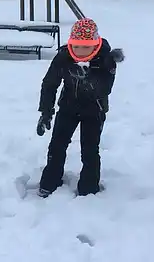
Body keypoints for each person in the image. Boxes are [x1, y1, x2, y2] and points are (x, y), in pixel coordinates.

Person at [36, 17, 124, 197]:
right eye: (76, 46)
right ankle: (49, 182)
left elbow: (105, 89)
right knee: (57, 145)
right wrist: (46, 112)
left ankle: (89, 187)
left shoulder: (106, 60)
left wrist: (88, 79)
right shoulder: (64, 56)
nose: (80, 51)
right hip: (68, 107)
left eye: (86, 47)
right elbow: (49, 84)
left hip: (94, 110)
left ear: (95, 45)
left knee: (90, 149)